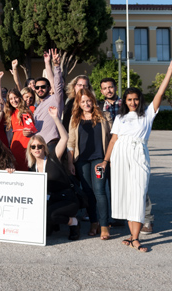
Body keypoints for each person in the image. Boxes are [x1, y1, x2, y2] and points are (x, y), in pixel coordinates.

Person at [95, 58, 172, 253]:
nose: (133, 102)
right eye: (129, 99)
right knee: (126, 196)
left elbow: (160, 92)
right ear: (125, 102)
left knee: (139, 193)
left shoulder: (148, 114)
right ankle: (133, 237)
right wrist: (105, 161)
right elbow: (113, 140)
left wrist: (170, 69)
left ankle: (135, 237)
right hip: (119, 156)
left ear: (140, 100)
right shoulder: (120, 118)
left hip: (138, 155)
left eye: (135, 99)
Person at [26, 106, 80, 241]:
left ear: (44, 147)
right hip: (50, 201)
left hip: (67, 199)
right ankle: (53, 223)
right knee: (47, 228)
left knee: (49, 215)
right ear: (30, 150)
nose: (37, 149)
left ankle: (74, 223)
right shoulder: (32, 168)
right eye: (33, 147)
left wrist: (55, 118)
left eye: (39, 146)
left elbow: (64, 138)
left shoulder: (53, 157)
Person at [67, 88, 111, 239]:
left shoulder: (105, 116)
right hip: (82, 160)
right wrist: (70, 163)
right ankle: (94, 222)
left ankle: (104, 225)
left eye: (88, 100)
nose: (86, 104)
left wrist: (108, 159)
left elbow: (112, 139)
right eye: (83, 101)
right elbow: (71, 143)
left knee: (99, 191)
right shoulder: (75, 118)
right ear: (78, 103)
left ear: (93, 100)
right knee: (88, 192)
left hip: (100, 159)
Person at [4, 88, 34, 171]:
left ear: (20, 98)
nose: (14, 100)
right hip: (15, 144)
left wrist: (28, 131)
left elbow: (31, 128)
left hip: (26, 142)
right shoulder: (11, 112)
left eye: (15, 97)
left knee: (26, 167)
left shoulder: (26, 111)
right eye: (11, 99)